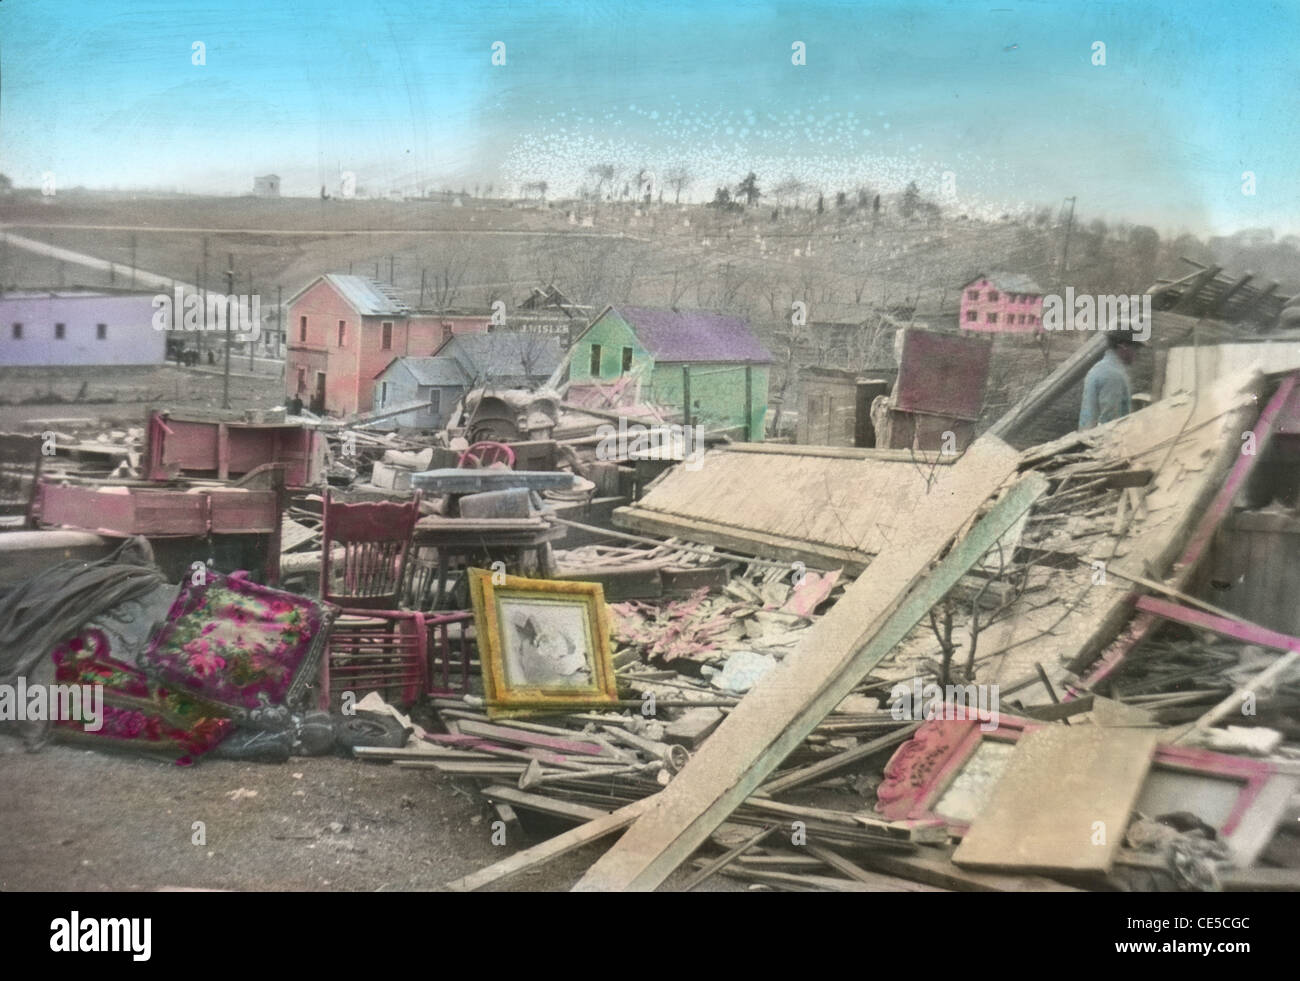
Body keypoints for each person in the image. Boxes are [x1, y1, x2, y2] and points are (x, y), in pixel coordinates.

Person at [1079, 332, 1141, 429]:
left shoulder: (1097, 369)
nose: (1138, 353)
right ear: (1124, 346)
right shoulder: (1114, 375)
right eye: (1136, 348)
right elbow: (1111, 424)